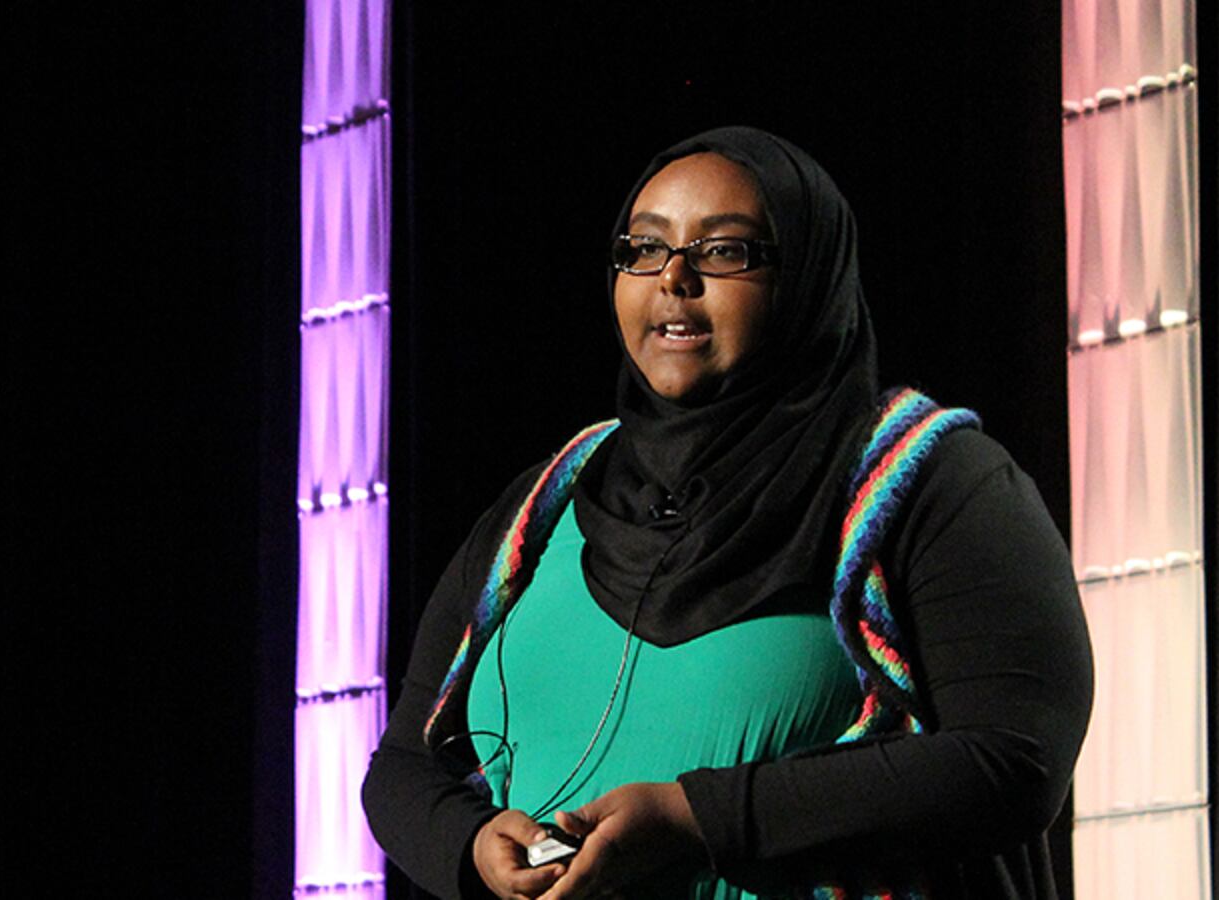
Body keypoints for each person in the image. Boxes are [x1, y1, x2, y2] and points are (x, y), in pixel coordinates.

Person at [362, 126, 1093, 900]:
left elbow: (1013, 760)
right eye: (642, 247)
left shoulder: (928, 482)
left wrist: (698, 818)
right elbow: (404, 768)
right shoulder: (546, 501)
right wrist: (473, 839)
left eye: (724, 251)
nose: (673, 277)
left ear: (807, 277)